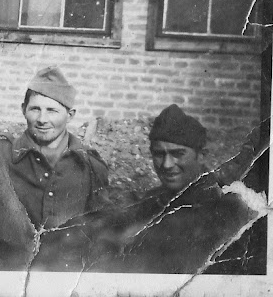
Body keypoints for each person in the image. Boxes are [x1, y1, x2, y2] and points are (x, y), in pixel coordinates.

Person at [89, 104, 261, 274]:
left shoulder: (226, 208)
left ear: (201, 155)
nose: (167, 164)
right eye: (159, 154)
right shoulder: (151, 201)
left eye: (178, 154)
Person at [0, 66, 109, 271]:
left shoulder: (90, 166)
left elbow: (102, 230)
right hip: (7, 274)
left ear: (70, 115)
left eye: (52, 110)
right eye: (35, 109)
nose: (42, 119)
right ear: (23, 109)